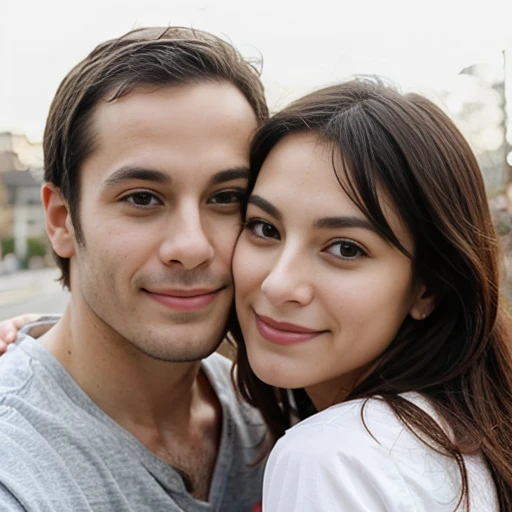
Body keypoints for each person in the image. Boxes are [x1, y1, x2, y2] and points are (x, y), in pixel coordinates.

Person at [0, 26, 269, 511]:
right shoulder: (17, 467)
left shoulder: (280, 409)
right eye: (142, 198)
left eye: (227, 198)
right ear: (61, 220)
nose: (191, 247)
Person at [231, 79, 512, 510]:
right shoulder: (469, 442)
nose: (278, 284)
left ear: (429, 288)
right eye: (265, 228)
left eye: (345, 248)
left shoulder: (332, 459)